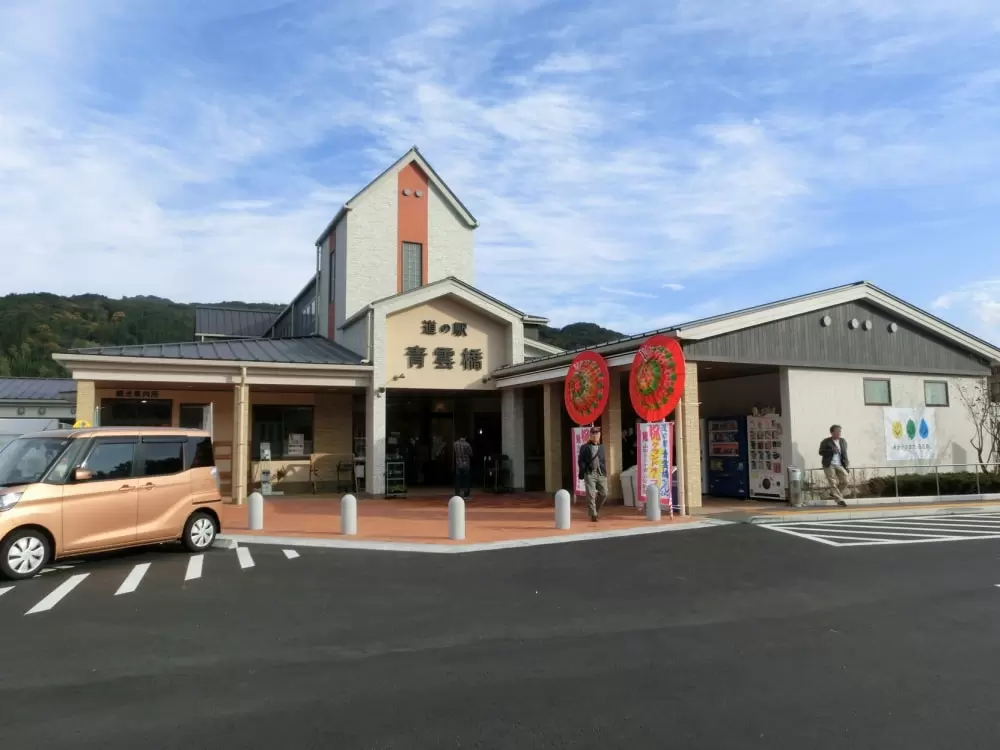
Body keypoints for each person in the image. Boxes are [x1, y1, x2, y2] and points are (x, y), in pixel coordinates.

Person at [577, 426, 608, 522]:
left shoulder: (602, 447)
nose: (595, 436)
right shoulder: (585, 447)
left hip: (601, 473)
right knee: (591, 495)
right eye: (593, 434)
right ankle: (593, 514)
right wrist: (583, 471)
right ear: (590, 435)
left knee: (604, 493)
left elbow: (603, 460)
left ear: (600, 435)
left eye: (597, 434)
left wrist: (604, 472)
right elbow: (581, 460)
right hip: (590, 473)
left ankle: (595, 510)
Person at [818, 424, 851, 506]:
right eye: (837, 431)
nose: (839, 433)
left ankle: (834, 493)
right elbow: (820, 452)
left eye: (840, 431)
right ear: (832, 432)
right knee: (832, 482)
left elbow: (844, 453)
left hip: (840, 464)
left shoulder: (843, 441)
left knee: (846, 481)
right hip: (829, 464)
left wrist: (846, 464)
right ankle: (839, 500)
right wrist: (831, 450)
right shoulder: (826, 441)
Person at [453, 435, 473, 500]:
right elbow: (470, 454)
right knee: (466, 479)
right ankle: (466, 495)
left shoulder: (455, 444)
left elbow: (455, 452)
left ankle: (457, 493)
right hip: (466, 464)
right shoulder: (467, 445)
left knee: (458, 479)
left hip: (458, 463)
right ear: (465, 437)